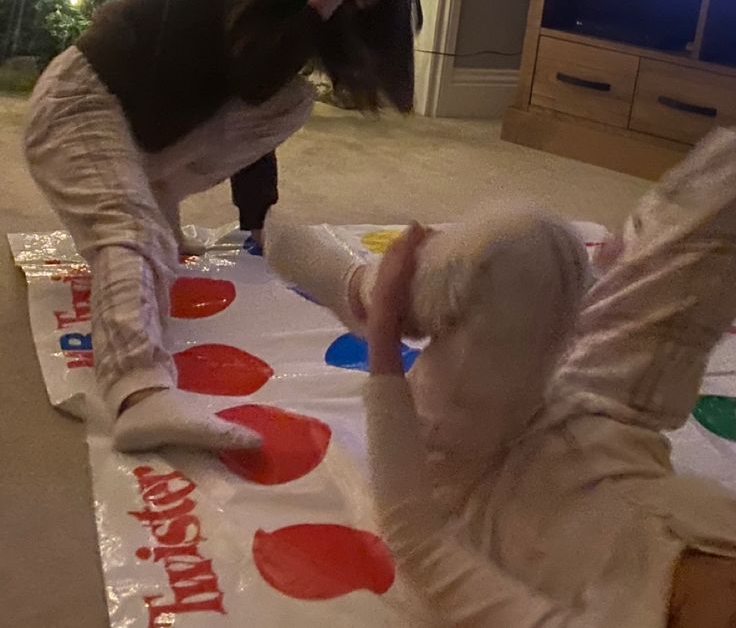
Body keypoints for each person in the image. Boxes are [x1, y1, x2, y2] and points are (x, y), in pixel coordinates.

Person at [265, 128, 736, 627]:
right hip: (615, 421)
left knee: (530, 244)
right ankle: (596, 284)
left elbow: (418, 540)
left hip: (480, 467)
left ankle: (362, 291)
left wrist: (382, 332)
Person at [24, 0, 422, 455]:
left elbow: (252, 95)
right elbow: (255, 75)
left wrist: (260, 223)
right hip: (80, 104)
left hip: (143, 126)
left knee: (292, 99)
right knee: (136, 236)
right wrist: (318, 7)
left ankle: (158, 189)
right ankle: (139, 397)